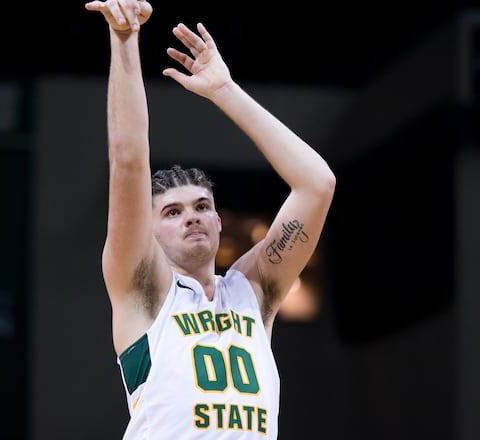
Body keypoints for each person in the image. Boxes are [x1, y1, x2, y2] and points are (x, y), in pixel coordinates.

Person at [85, 1, 336, 438]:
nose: (192, 218)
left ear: (220, 222)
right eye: (172, 212)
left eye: (202, 207)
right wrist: (125, 40)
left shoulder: (252, 291)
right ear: (150, 232)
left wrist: (225, 90)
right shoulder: (144, 290)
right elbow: (127, 160)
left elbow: (317, 184)